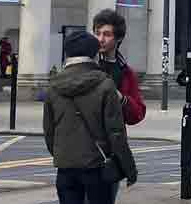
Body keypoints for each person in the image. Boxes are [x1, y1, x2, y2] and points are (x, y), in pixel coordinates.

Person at [45, 31, 138, 204]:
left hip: (66, 169)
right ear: (95, 55)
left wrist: (64, 155)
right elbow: (115, 132)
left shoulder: (53, 86)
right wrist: (129, 169)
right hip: (97, 168)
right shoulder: (105, 84)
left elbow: (49, 131)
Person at [92, 9, 146, 126]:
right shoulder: (87, 65)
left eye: (107, 35)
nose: (101, 39)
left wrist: (122, 99)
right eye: (97, 33)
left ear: (119, 38)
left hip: (114, 139)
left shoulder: (126, 72)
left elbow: (138, 114)